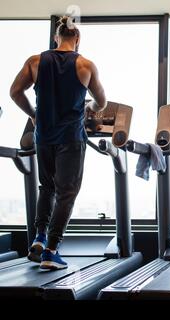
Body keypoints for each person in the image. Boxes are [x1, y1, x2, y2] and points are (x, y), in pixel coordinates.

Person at [9, 16, 107, 270]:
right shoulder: (85, 65)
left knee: (47, 187)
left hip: (44, 136)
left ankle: (40, 238)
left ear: (56, 37)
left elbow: (15, 92)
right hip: (71, 138)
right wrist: (91, 110)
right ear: (77, 39)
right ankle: (52, 251)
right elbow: (101, 101)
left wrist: (33, 114)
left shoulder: (35, 61)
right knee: (67, 193)